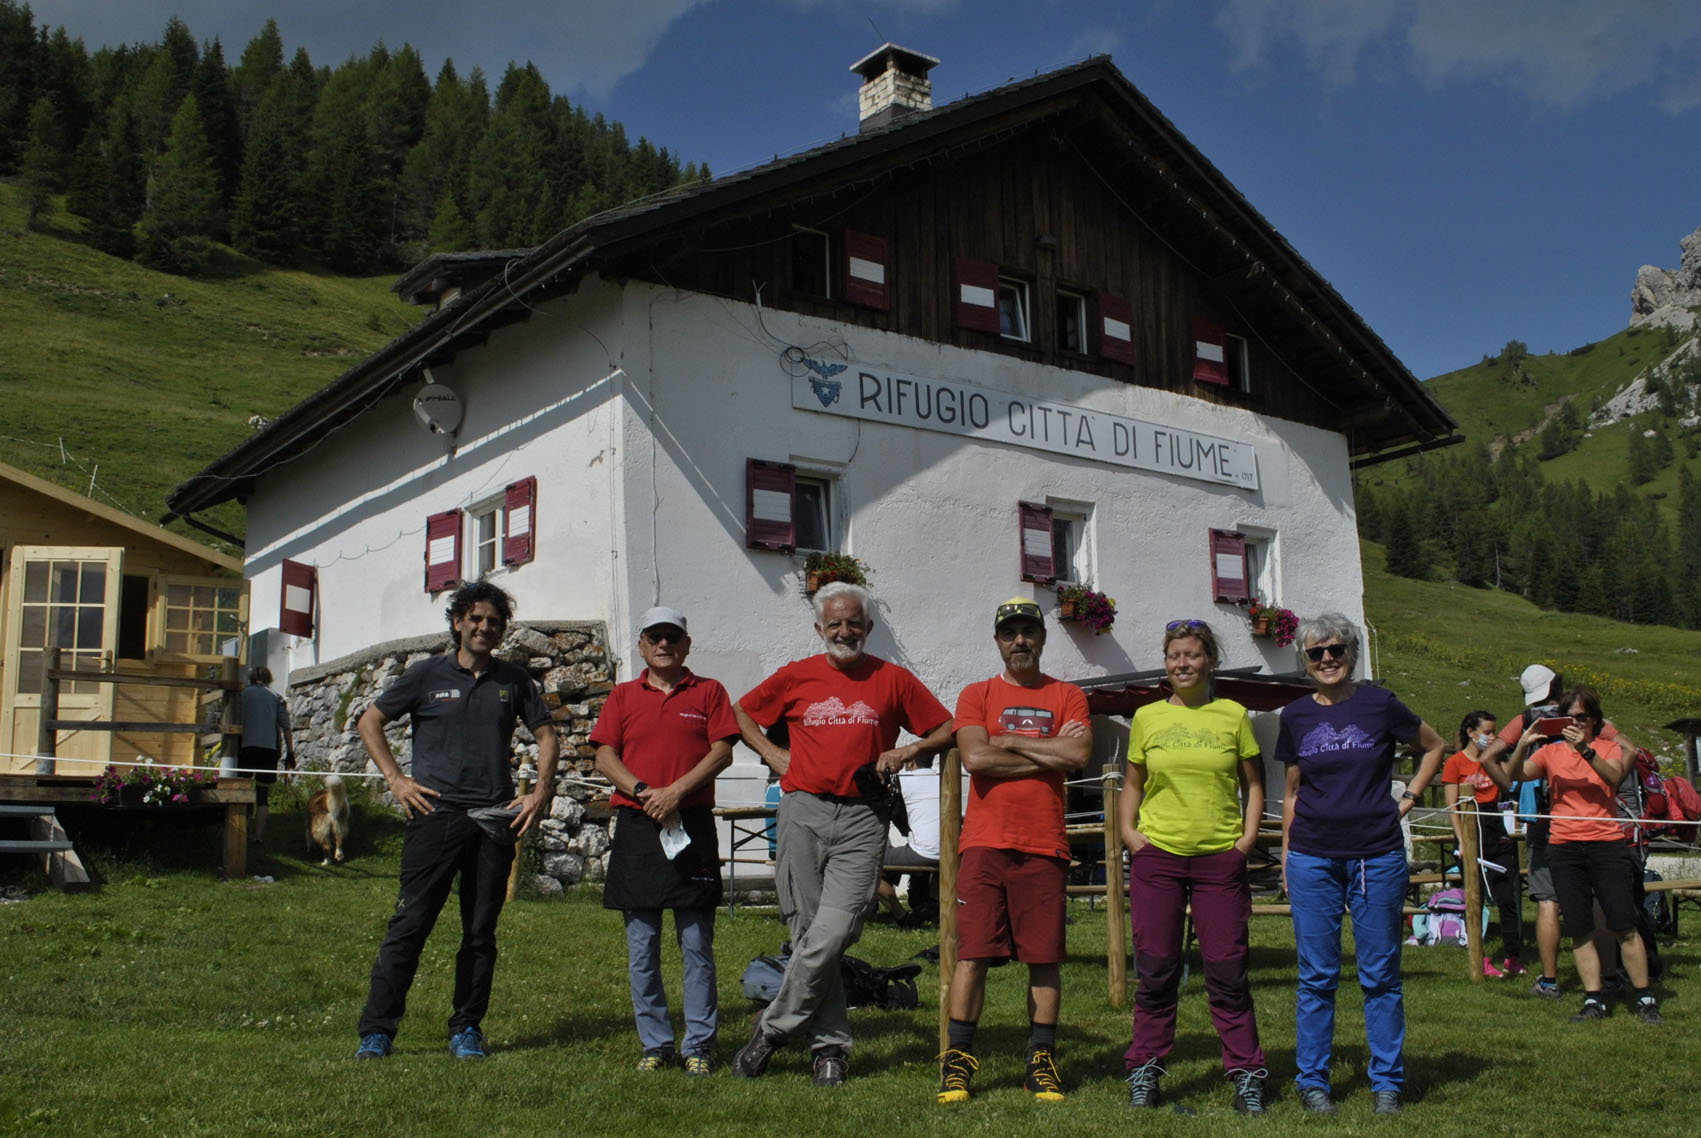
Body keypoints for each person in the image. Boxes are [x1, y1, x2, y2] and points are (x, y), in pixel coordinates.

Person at [732, 582, 954, 1086]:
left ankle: (771, 1029)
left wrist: (907, 751)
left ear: (869, 628)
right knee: (809, 934)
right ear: (819, 629)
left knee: (835, 930)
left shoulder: (893, 679)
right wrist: (771, 754)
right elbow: (741, 712)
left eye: (854, 622)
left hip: (861, 817)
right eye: (834, 623)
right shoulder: (795, 676)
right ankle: (830, 1048)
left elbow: (947, 727)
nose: (844, 631)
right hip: (803, 812)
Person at [352, 581, 558, 1061]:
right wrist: (396, 779)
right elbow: (370, 721)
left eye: (494, 622)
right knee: (410, 925)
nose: (485, 628)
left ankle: (466, 1028)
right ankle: (377, 1031)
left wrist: (539, 792)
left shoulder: (514, 681)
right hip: (434, 816)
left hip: (493, 820)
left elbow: (547, 736)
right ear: (458, 622)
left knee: (480, 933)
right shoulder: (425, 675)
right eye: (477, 619)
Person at [1277, 612, 1445, 1116]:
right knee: (1316, 975)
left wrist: (1410, 796)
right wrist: (1287, 857)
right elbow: (1291, 792)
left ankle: (1387, 1083)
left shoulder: (1380, 703)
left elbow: (1433, 747)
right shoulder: (1295, 716)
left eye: (1336, 650)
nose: (1327, 659)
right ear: (1305, 662)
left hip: (1377, 853)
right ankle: (1313, 1083)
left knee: (1380, 975)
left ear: (1351, 653)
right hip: (1311, 855)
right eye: (1316, 653)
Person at [937, 598, 1091, 1105]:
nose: (1019, 640)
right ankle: (957, 1061)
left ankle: (1041, 1062)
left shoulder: (1068, 694)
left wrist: (1009, 740)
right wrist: (1048, 754)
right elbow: (977, 759)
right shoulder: (976, 693)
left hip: (1044, 843)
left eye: (1029, 632)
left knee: (1044, 958)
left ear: (1042, 639)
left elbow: (1080, 754)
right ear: (998, 641)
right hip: (983, 843)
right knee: (973, 954)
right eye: (1010, 633)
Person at [1119, 619, 1267, 1115]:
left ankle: (1246, 1074)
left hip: (1218, 860)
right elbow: (1133, 783)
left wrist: (1244, 842)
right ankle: (1146, 1070)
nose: (1182, 663)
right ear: (1166, 663)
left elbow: (1254, 784)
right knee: (1156, 970)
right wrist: (1129, 833)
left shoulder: (1234, 715)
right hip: (1157, 857)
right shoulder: (1146, 717)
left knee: (1228, 971)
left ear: (1210, 662)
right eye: (1174, 655)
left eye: (1192, 655)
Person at [591, 606, 740, 1076]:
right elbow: (604, 756)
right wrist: (644, 792)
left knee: (696, 942)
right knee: (643, 944)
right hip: (638, 825)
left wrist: (676, 792)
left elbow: (722, 751)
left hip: (690, 821)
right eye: (654, 637)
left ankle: (699, 1044)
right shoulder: (622, 696)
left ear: (687, 645)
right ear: (641, 645)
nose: (663, 644)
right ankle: (655, 1045)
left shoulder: (710, 692)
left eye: (672, 637)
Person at [1487, 686, 1662, 1025]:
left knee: (1624, 924)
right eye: (1569, 717)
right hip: (1565, 846)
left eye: (1582, 717)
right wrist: (1525, 742)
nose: (1575, 723)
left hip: (1606, 843)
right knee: (1579, 928)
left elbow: (1612, 778)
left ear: (1595, 720)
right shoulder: (1550, 752)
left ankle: (1645, 998)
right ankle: (1593, 999)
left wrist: (1585, 750)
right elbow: (1512, 778)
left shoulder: (1609, 747)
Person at [1478, 665, 1631, 998]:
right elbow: (1628, 749)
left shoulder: (1527, 720)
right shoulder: (1586, 717)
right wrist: (1611, 782)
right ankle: (1609, 975)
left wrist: (1509, 783)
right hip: (1591, 819)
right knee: (1597, 901)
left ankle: (1549, 979)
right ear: (1557, 687)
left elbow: (1489, 756)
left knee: (1547, 900)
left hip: (1544, 819)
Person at [1441, 709, 1525, 978]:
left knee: (1507, 897)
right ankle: (1481, 956)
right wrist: (1462, 841)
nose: (1491, 737)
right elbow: (1452, 806)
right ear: (1471, 732)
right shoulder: (1455, 763)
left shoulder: (1493, 760)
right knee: (1474, 897)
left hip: (1494, 826)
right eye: (1487, 732)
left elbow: (1508, 783)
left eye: (1493, 733)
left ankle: (1513, 955)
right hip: (1468, 828)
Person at [873, 760, 943, 926]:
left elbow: (894, 814)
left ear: (910, 762)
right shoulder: (948, 776)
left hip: (920, 852)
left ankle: (902, 917)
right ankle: (931, 904)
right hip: (951, 852)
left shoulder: (904, 779)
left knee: (866, 865)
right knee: (935, 854)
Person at [239, 666, 295, 844]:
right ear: (269, 678)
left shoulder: (243, 694)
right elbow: (285, 727)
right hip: (268, 749)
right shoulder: (275, 697)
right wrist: (290, 752)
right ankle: (258, 836)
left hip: (246, 747)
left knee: (243, 791)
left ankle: (241, 832)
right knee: (262, 795)